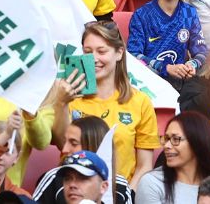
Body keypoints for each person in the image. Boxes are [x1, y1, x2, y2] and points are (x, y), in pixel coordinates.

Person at [56, 22, 159, 185]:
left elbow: (144, 166)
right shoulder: (70, 98)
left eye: (101, 51)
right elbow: (63, 147)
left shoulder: (140, 102)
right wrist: (61, 103)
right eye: (87, 52)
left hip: (120, 195)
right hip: (75, 191)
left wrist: (126, 197)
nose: (94, 59)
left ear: (119, 53)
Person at [126, 0, 207, 87]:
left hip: (179, 85)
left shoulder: (189, 13)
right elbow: (133, 55)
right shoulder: (141, 15)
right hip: (147, 85)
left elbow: (201, 51)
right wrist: (165, 68)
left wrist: (192, 65)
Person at [135, 111, 210, 204]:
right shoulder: (152, 183)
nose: (166, 146)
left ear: (197, 142)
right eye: (166, 139)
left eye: (175, 139)